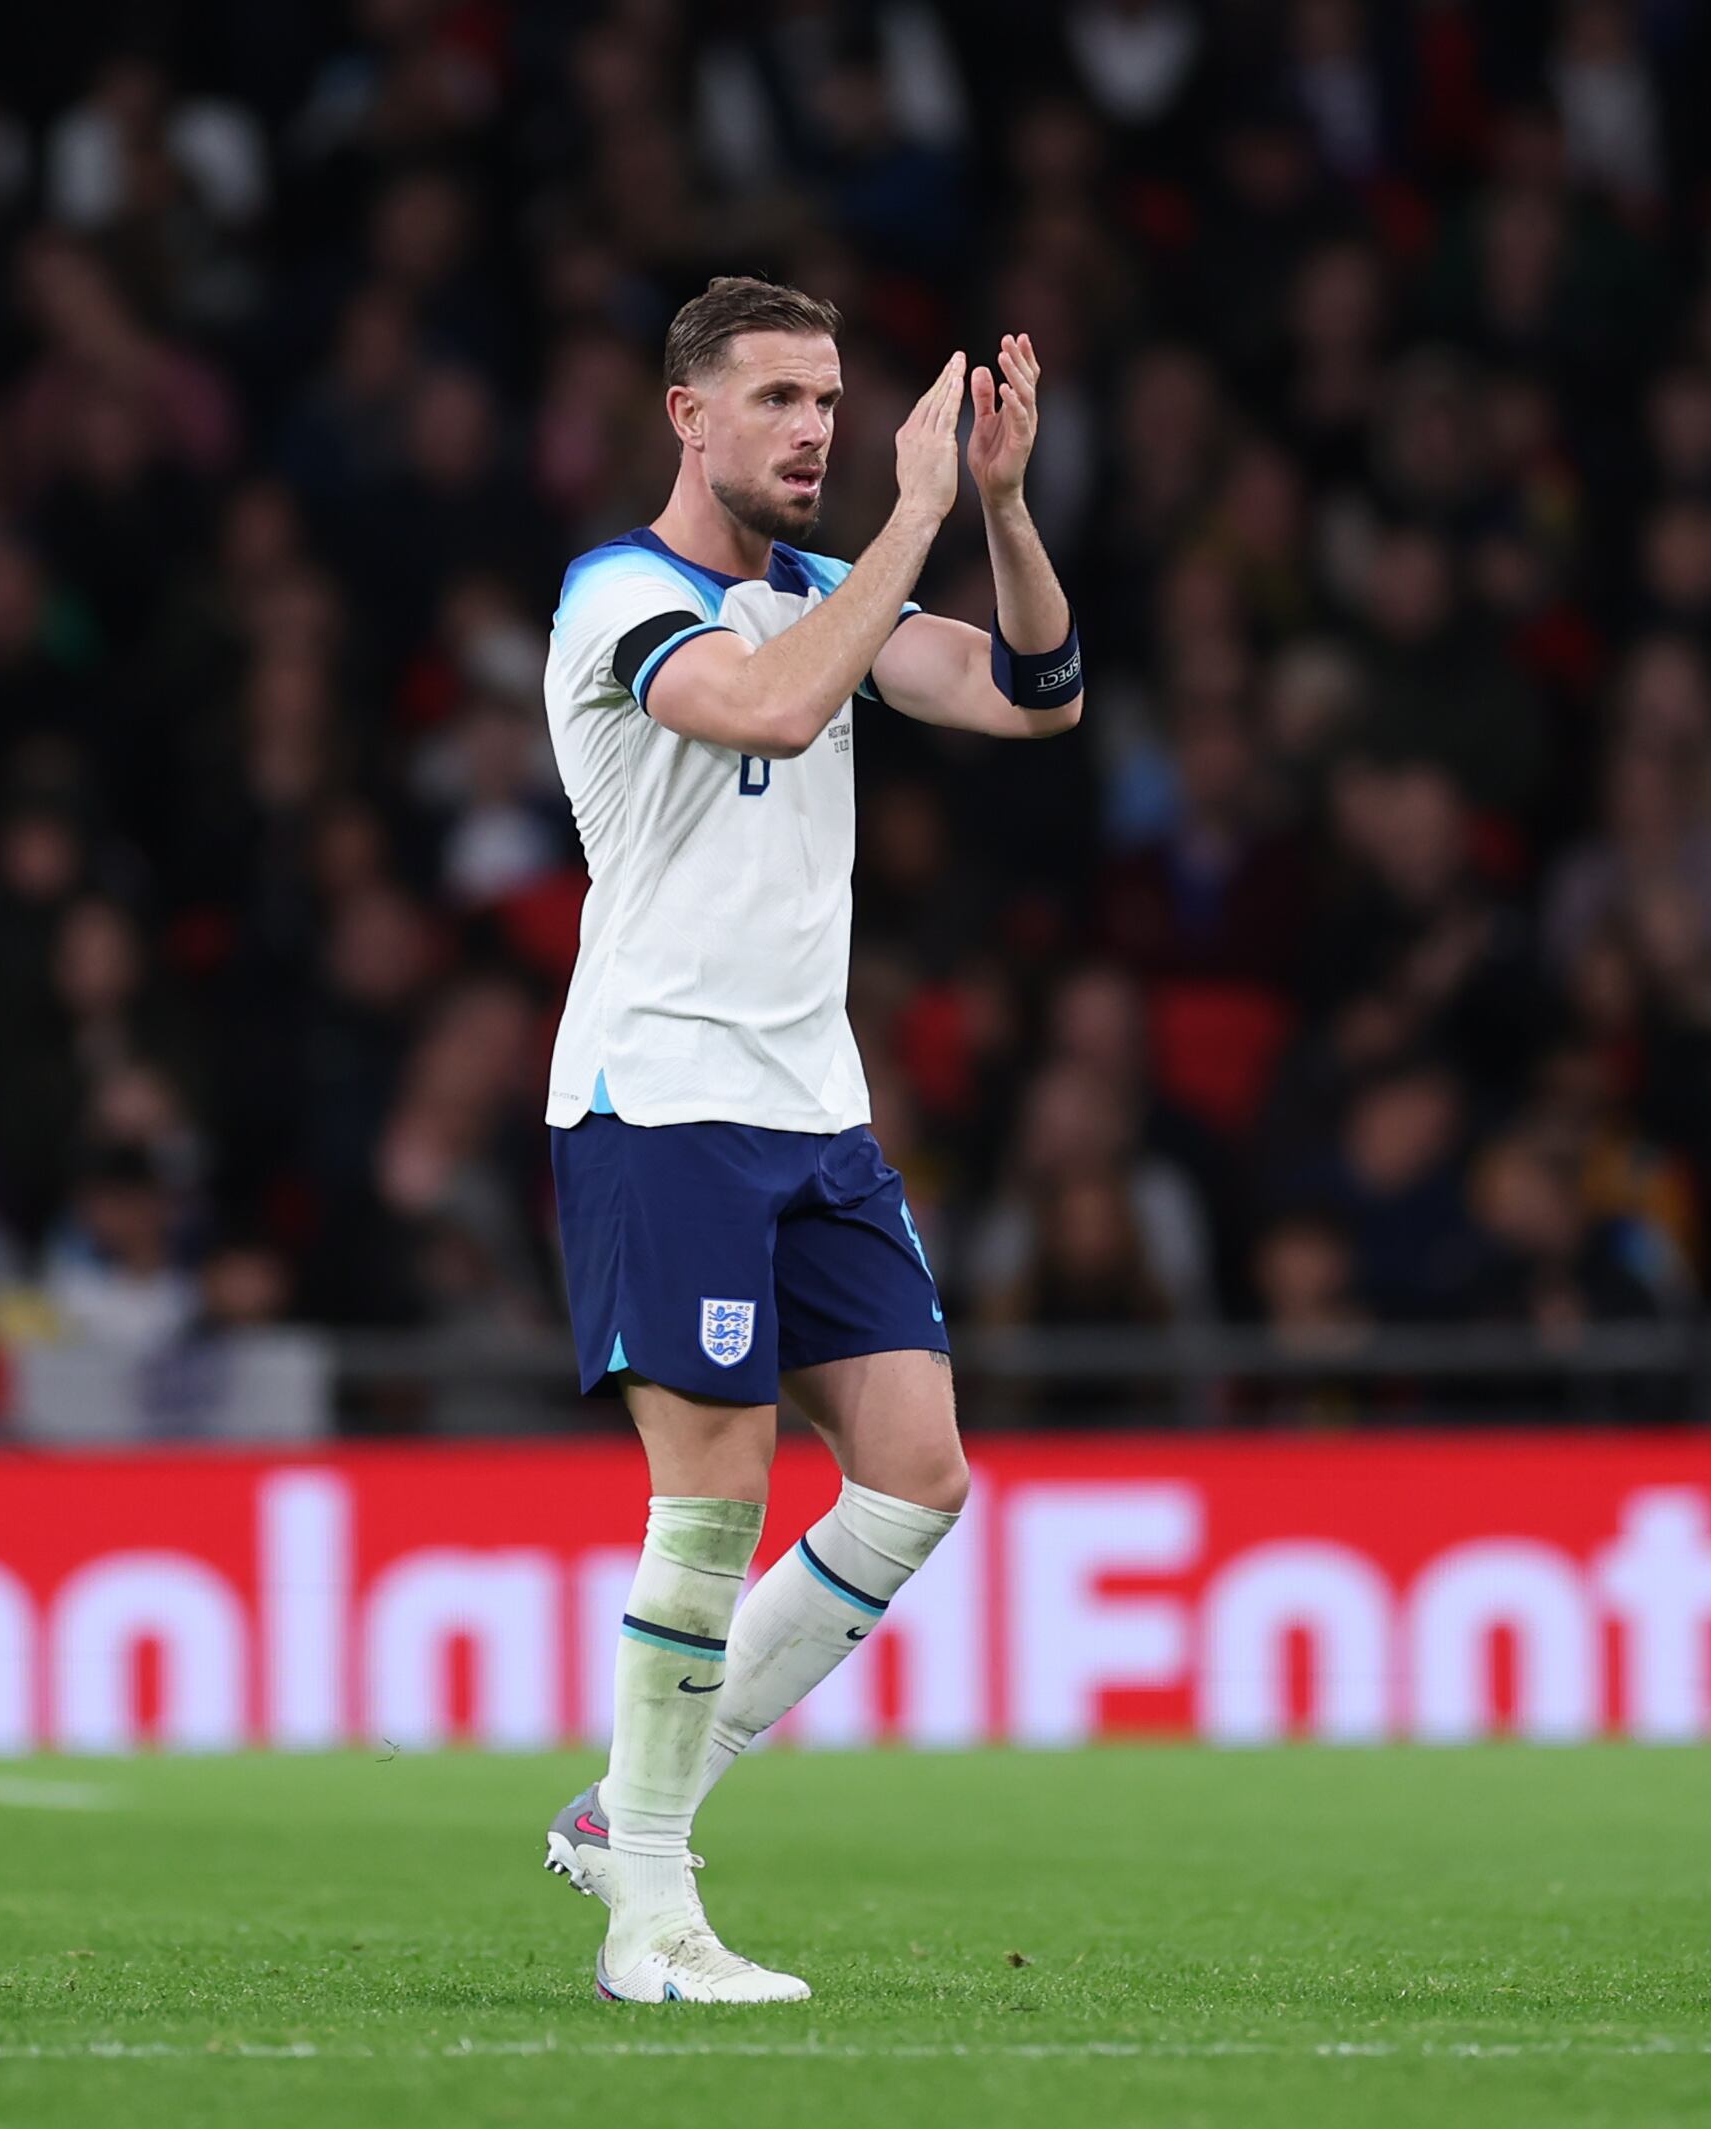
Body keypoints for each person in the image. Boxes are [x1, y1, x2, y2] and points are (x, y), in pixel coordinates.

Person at [533, 277, 1082, 2004]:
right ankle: (651, 1917)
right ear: (684, 414)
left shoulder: (828, 595)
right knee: (708, 1507)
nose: (813, 430)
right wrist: (910, 516)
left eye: (830, 401)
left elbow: (1035, 693)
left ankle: (625, 1808)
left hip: (811, 1108)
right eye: (774, 397)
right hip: (664, 1100)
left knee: (916, 1474)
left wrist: (992, 506)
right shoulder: (620, 595)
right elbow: (767, 707)